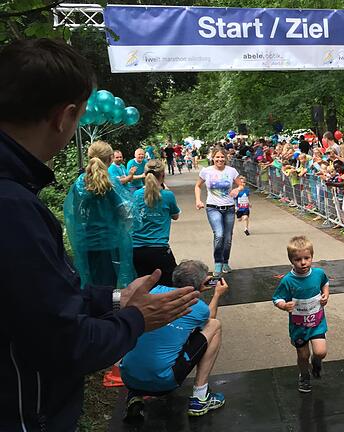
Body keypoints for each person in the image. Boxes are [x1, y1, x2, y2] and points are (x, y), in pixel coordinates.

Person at [0, 37, 199, 432]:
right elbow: (63, 341)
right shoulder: (13, 205)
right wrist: (134, 318)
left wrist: (113, 297)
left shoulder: (26, 190)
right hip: (27, 413)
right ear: (65, 116)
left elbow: (39, 299)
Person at [121, 260, 227, 421]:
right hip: (163, 382)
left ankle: (135, 396)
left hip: (128, 378)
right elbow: (208, 320)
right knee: (215, 325)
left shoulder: (153, 292)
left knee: (149, 337)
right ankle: (200, 398)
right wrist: (217, 294)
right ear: (199, 283)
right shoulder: (197, 306)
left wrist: (196, 288)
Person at [63, 140, 135, 288]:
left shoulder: (79, 183)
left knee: (90, 286)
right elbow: (125, 213)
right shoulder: (109, 183)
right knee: (107, 289)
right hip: (108, 244)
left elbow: (75, 213)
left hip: (85, 244)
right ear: (110, 159)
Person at [272, 236, 330, 393]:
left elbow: (325, 283)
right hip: (299, 326)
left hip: (317, 322)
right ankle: (304, 375)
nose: (303, 262)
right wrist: (284, 305)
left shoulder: (318, 273)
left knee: (320, 352)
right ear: (291, 260)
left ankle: (316, 362)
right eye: (298, 259)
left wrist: (326, 295)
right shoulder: (288, 281)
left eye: (307, 258)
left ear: (312, 256)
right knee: (303, 355)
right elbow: (277, 298)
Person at [132, 159, 180, 287]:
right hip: (159, 249)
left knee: (144, 289)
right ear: (162, 175)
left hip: (137, 250)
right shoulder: (167, 195)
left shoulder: (136, 194)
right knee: (170, 286)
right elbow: (176, 216)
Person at [196, 146, 242, 276]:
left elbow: (241, 184)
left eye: (222, 157)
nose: (220, 159)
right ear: (213, 158)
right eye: (217, 157)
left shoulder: (231, 171)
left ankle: (225, 261)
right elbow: (198, 186)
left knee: (227, 238)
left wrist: (237, 189)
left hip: (229, 208)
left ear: (225, 158)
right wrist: (198, 200)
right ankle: (218, 262)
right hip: (213, 207)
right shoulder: (206, 171)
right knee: (219, 234)